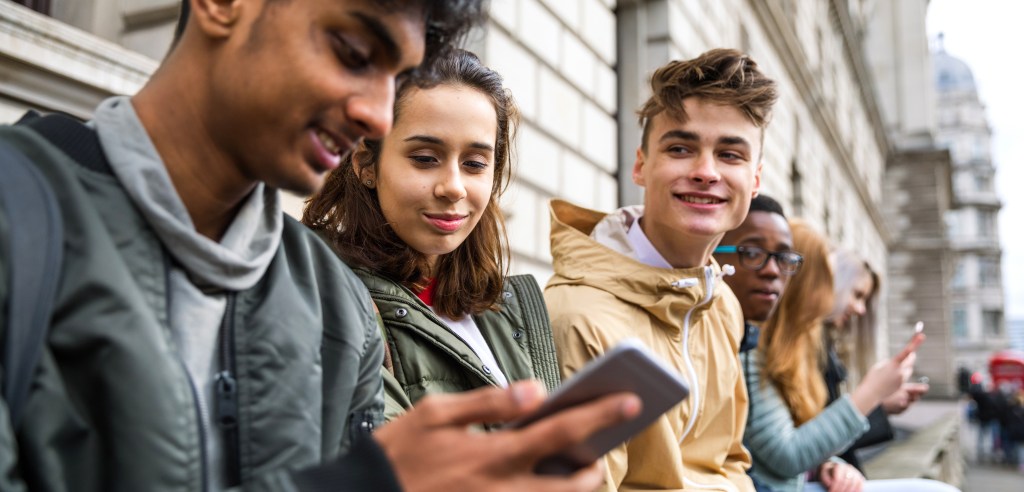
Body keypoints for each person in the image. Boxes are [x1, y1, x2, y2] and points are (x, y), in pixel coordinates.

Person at [0, 1, 641, 490]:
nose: (377, 115)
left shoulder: (333, 300)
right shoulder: (20, 216)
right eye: (354, 51)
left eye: (395, 78)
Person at [545, 48, 779, 492]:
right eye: (680, 148)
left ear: (755, 180)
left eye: (730, 155)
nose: (706, 172)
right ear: (641, 165)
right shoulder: (579, 317)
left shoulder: (723, 302)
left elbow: (728, 461)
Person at [303, 48, 559, 419]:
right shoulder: (323, 294)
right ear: (365, 164)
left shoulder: (506, 310)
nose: (453, 187)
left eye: (474, 164)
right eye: (425, 158)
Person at [733, 220, 956, 492]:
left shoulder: (795, 349)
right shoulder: (753, 348)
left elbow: (802, 441)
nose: (857, 308)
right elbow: (787, 454)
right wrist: (872, 393)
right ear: (806, 283)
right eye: (829, 280)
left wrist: (829, 465)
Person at [824, 250, 929, 470]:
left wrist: (881, 404)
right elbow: (815, 444)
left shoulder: (827, 350)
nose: (861, 310)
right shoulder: (813, 352)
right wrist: (874, 395)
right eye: (857, 295)